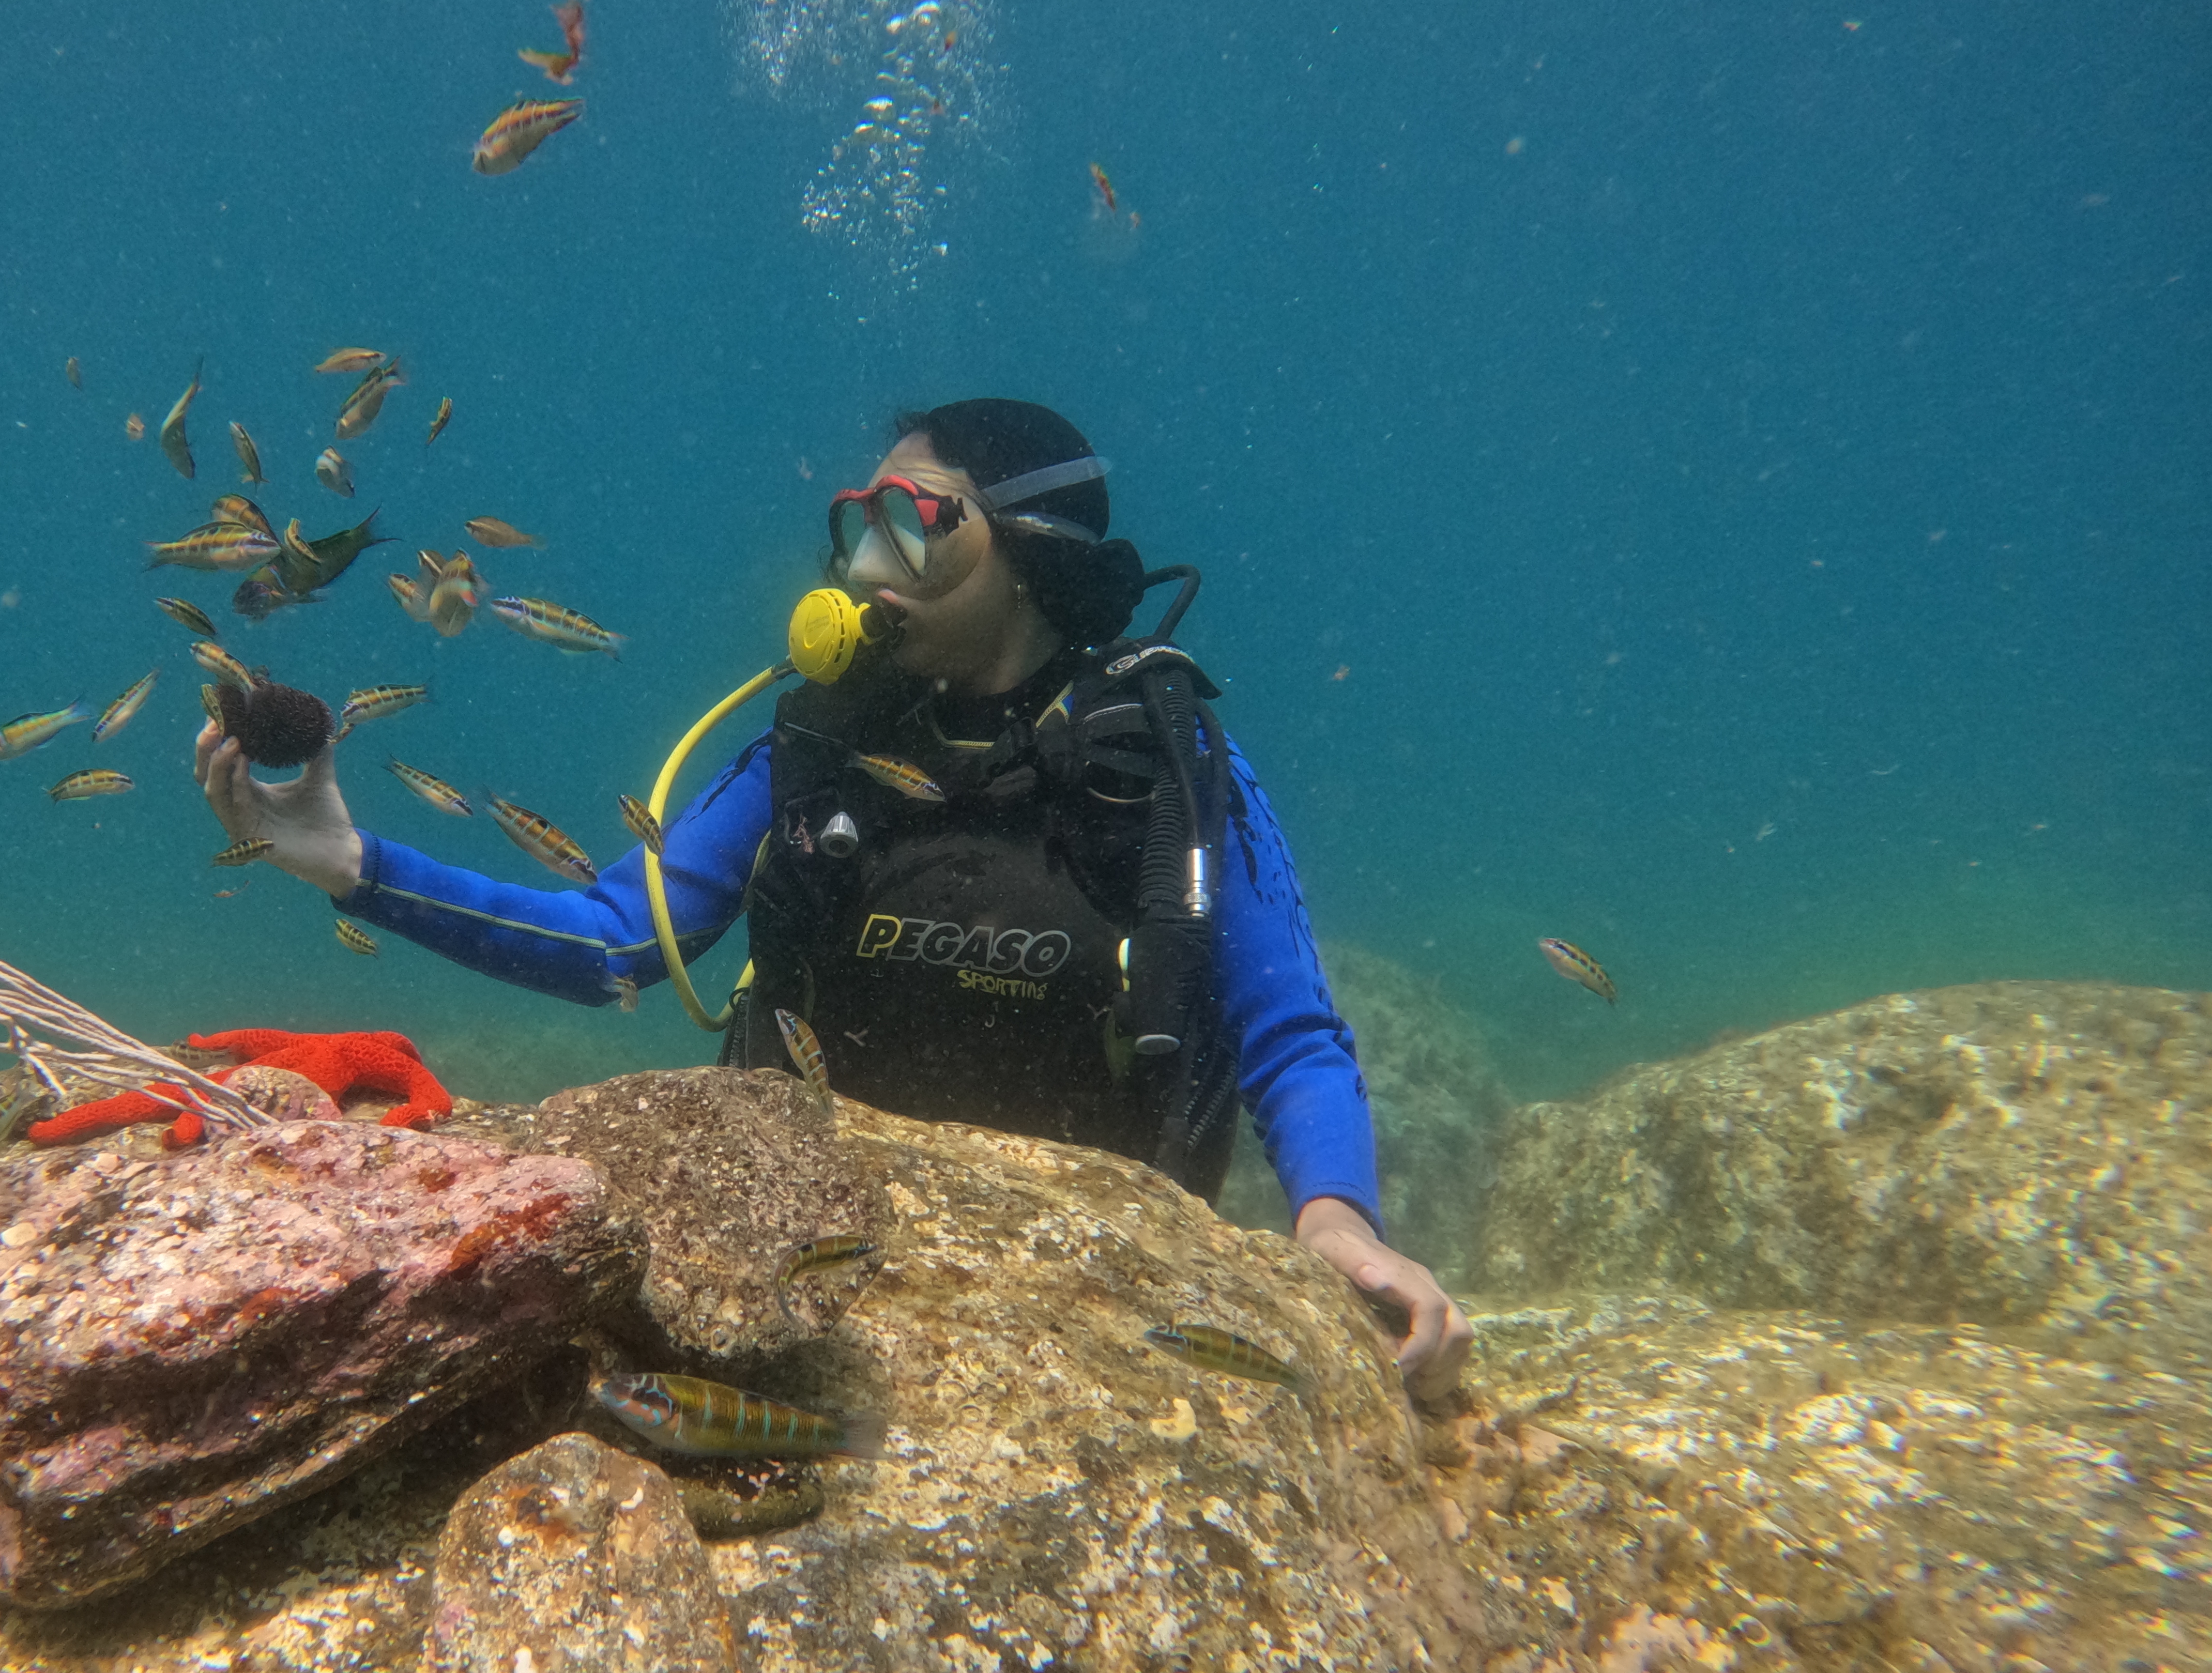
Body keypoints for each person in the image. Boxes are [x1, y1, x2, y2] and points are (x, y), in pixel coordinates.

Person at [195, 399, 1472, 1400]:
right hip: (799, 1299)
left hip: (1101, 1309)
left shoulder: (1168, 761)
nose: (866, 565)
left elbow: (1287, 1029)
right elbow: (611, 945)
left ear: (1032, 553)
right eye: (857, 524)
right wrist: (352, 865)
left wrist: (1337, 1226)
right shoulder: (815, 748)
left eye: (916, 522)